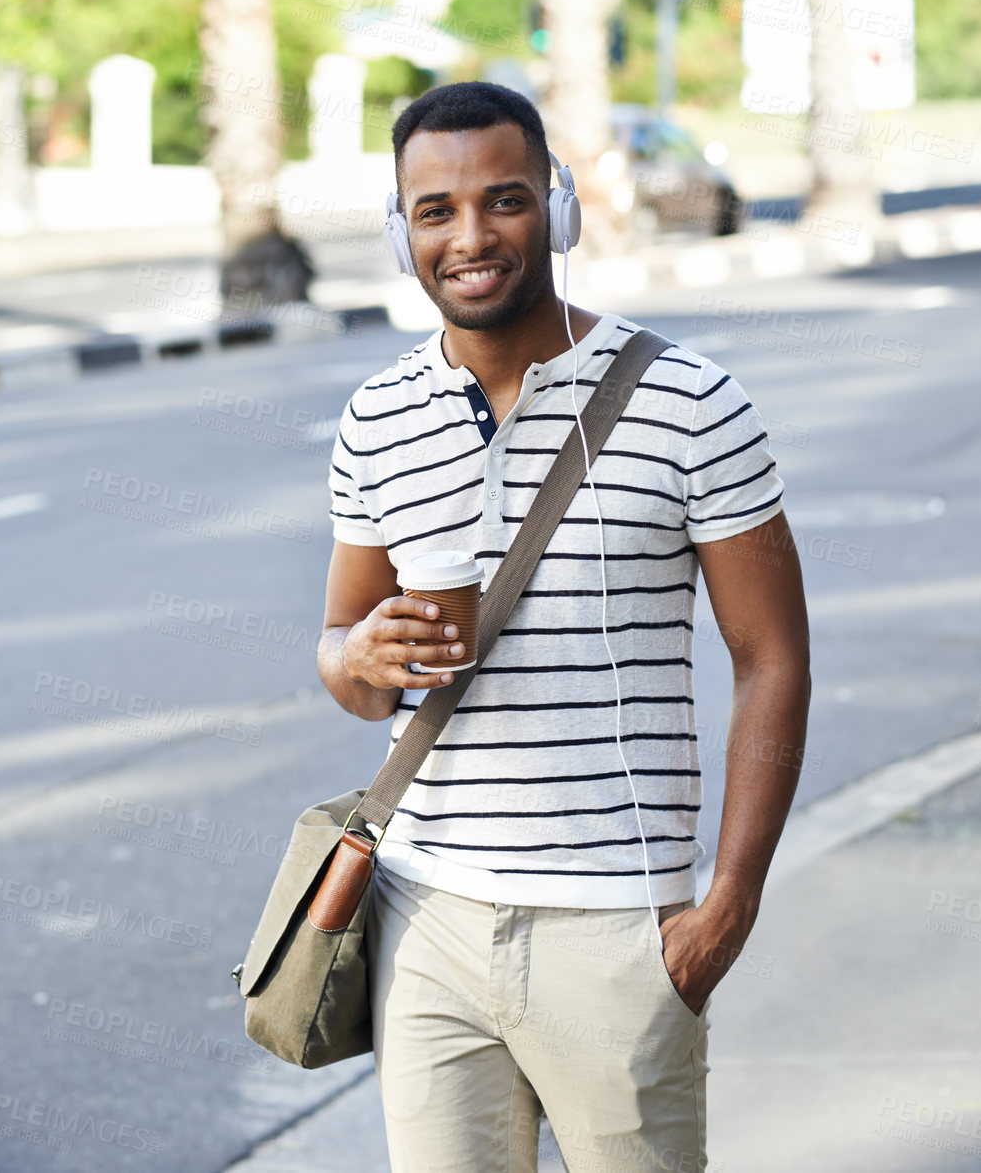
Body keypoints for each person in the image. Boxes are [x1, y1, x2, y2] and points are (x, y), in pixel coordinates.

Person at [317, 82, 810, 1173]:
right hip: (425, 916)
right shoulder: (376, 418)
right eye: (436, 211)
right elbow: (340, 649)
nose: (472, 236)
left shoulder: (691, 402)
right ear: (403, 235)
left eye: (504, 200)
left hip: (616, 928)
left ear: (561, 207)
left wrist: (725, 908)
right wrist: (356, 659)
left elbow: (772, 657)